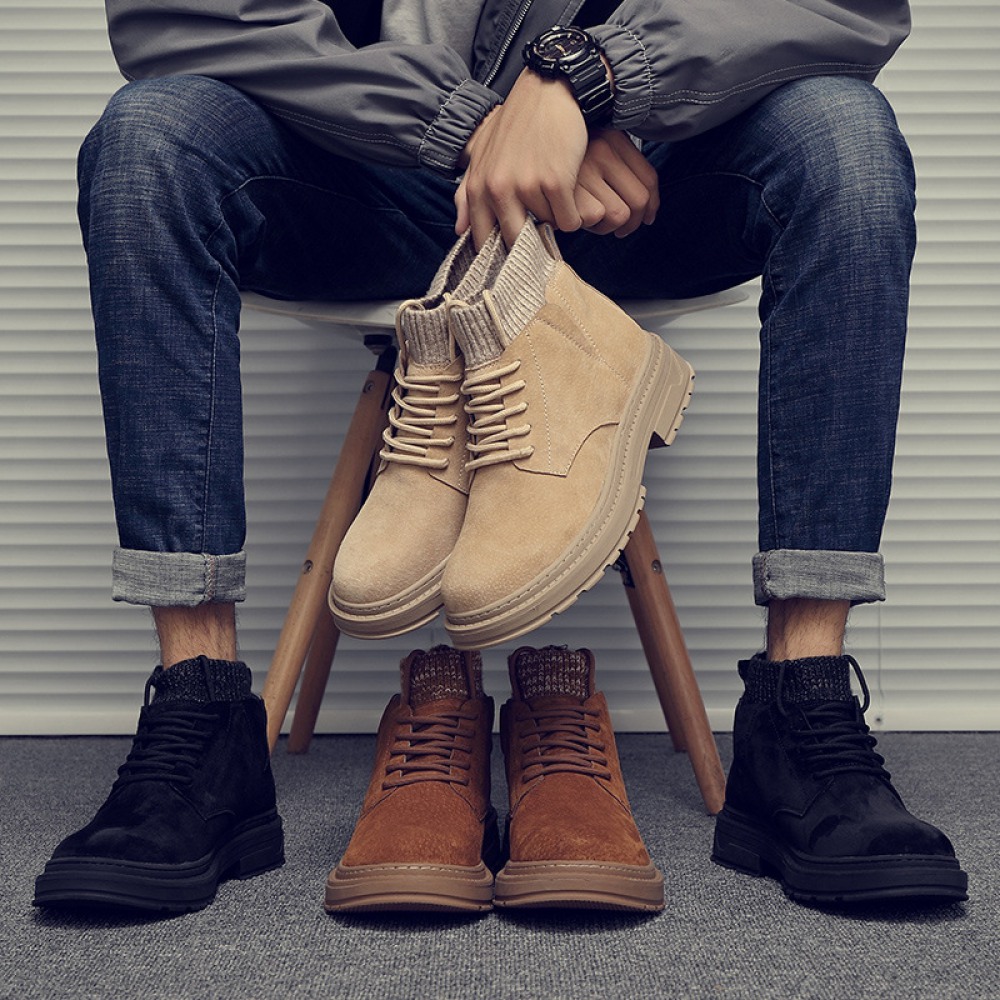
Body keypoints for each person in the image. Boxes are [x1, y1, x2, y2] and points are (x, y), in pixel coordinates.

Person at [32, 0, 968, 914]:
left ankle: (804, 708)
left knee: (844, 137)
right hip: (377, 181)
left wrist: (589, 79)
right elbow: (177, 12)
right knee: (149, 139)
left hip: (631, 186)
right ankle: (197, 711)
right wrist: (475, 124)